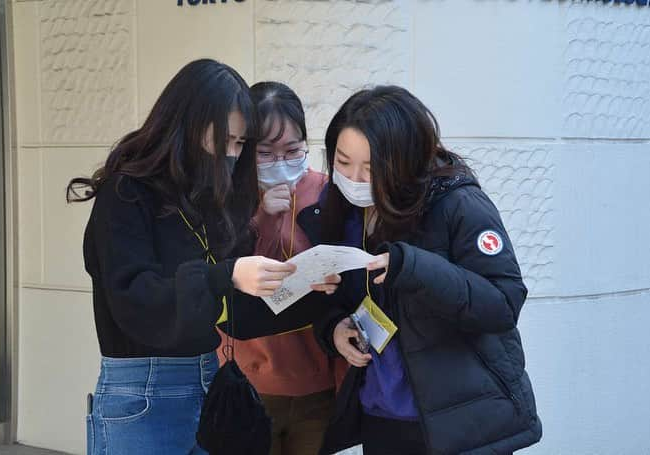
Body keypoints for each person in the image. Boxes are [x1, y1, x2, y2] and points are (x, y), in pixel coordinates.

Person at [67, 59, 338, 455]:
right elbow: (134, 299)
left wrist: (313, 290)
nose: (230, 155)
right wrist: (225, 275)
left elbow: (237, 315)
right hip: (143, 392)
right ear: (186, 124)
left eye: (239, 144)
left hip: (207, 383)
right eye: (225, 139)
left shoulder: (202, 198)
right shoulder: (126, 194)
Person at [298, 86, 542, 454]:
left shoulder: (458, 203)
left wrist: (412, 267)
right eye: (344, 162)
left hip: (458, 422)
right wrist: (333, 328)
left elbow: (503, 305)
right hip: (382, 415)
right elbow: (338, 298)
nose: (355, 179)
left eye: (371, 167)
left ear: (404, 161)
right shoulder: (342, 208)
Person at [216, 81, 347, 455]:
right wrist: (260, 219)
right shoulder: (227, 196)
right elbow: (221, 276)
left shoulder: (327, 193)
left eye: (292, 150)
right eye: (266, 153)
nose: (281, 163)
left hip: (317, 381)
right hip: (246, 380)